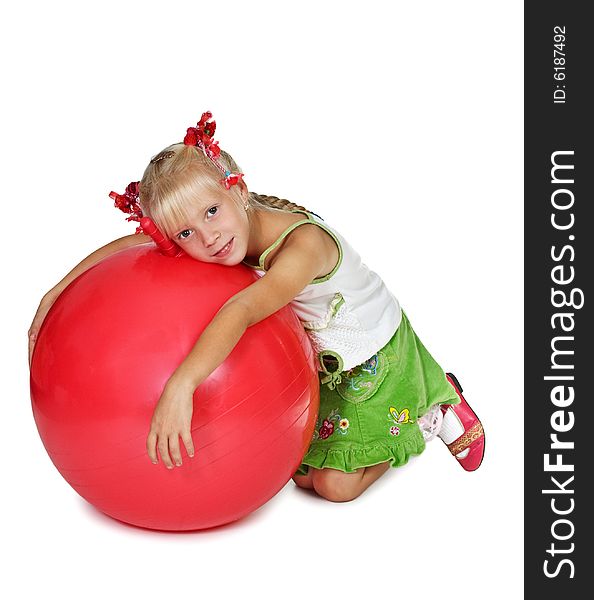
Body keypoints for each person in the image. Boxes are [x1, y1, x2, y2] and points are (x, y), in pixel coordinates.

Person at [28, 112, 485, 503]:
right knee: (299, 476)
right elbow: (132, 243)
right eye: (185, 233)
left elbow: (242, 311)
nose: (207, 238)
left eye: (211, 212)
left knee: (332, 487)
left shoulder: (301, 246)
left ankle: (432, 408)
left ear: (238, 190)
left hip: (375, 360)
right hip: (318, 370)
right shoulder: (233, 229)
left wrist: (181, 384)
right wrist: (54, 294)